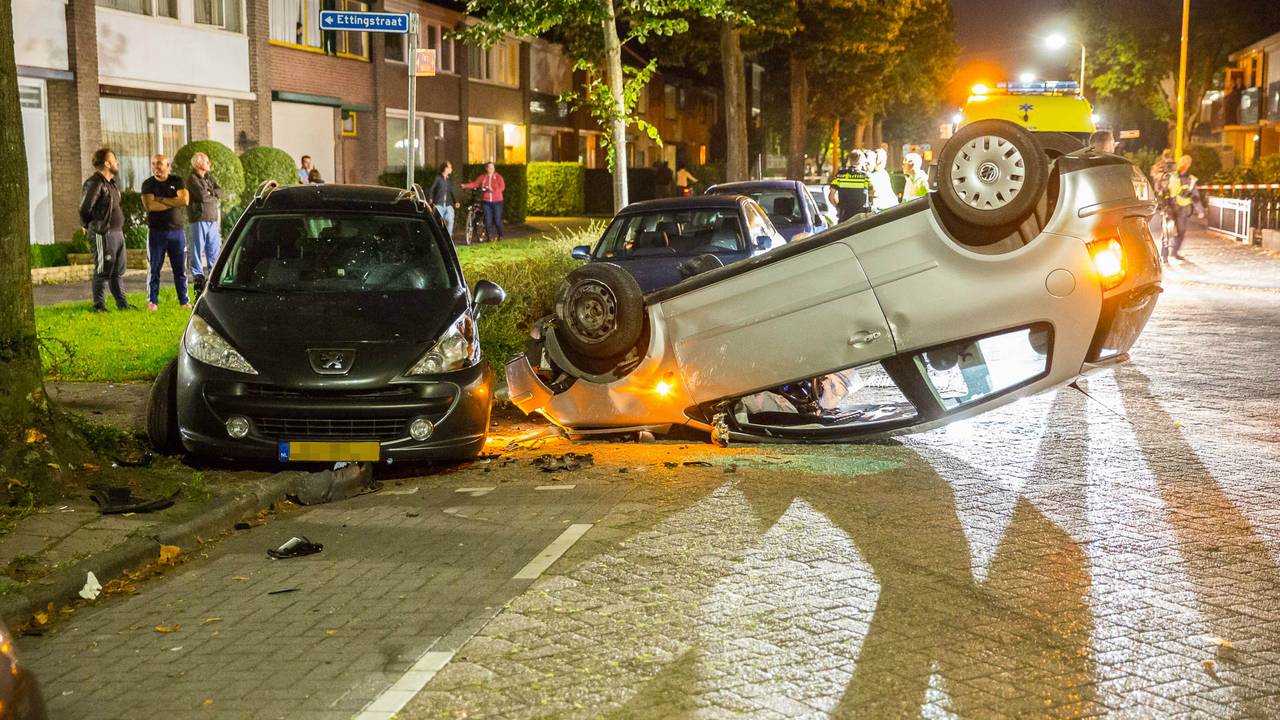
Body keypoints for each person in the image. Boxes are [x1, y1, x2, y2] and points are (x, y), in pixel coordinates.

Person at [79, 148, 132, 313]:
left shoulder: (111, 184)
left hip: (117, 233)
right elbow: (84, 208)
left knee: (117, 271)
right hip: (103, 233)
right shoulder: (95, 183)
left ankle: (122, 304)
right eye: (114, 160)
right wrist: (88, 225)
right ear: (107, 163)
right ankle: (99, 306)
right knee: (103, 270)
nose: (117, 162)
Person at [141, 154, 190, 310]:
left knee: (180, 269)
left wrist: (160, 199)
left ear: (168, 165)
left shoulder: (177, 181)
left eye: (160, 164)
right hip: (156, 232)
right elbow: (149, 206)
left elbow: (184, 201)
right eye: (154, 164)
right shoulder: (148, 184)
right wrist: (172, 201)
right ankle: (152, 301)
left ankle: (184, 301)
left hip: (177, 232)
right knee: (154, 268)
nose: (157, 167)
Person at [185, 152, 223, 297]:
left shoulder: (208, 177)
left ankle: (213, 275)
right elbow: (201, 196)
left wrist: (211, 192)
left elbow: (220, 191)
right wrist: (212, 195)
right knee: (197, 248)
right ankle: (198, 278)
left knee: (213, 249)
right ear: (199, 164)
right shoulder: (192, 179)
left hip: (212, 218)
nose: (209, 163)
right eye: (207, 161)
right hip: (199, 218)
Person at [1162, 154, 1203, 264]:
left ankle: (1174, 252)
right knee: (1167, 232)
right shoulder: (1173, 176)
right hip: (1171, 207)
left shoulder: (1191, 179)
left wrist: (1200, 210)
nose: (1185, 166)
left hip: (1182, 210)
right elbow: (1168, 190)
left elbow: (1195, 196)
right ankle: (1165, 255)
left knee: (1180, 231)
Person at [461, 162, 506, 241]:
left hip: (497, 201)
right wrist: (465, 186)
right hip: (486, 202)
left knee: (497, 220)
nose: (491, 169)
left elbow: (502, 187)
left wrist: (494, 190)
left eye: (492, 168)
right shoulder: (483, 177)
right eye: (489, 168)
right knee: (488, 220)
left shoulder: (498, 177)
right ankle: (490, 237)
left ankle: (500, 234)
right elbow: (475, 184)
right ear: (486, 168)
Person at [829, 150, 874, 222]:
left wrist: (838, 207)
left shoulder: (840, 175)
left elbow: (831, 196)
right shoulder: (865, 177)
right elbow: (872, 194)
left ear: (849, 160)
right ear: (862, 161)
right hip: (861, 218)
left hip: (844, 216)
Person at [429, 161, 460, 236]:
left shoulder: (449, 180)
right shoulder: (438, 178)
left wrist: (456, 202)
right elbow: (431, 189)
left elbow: (452, 192)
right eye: (450, 167)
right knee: (437, 224)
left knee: (450, 220)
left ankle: (448, 239)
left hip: (448, 205)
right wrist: (430, 198)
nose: (451, 169)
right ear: (446, 168)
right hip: (439, 205)